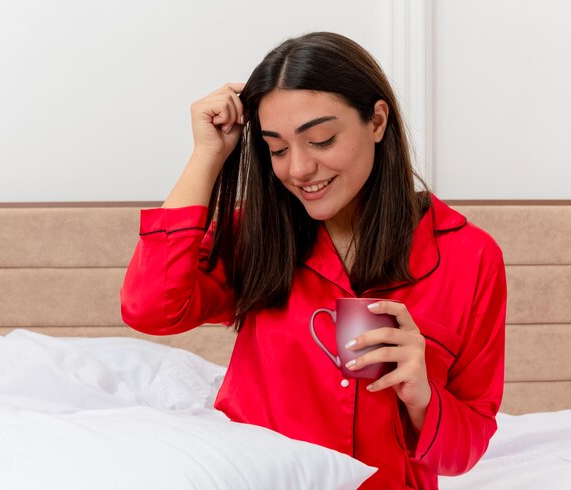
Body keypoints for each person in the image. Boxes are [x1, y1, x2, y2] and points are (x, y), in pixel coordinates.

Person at [121, 32, 506, 489]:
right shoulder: (257, 236)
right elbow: (150, 309)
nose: (298, 169)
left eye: (321, 140)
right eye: (277, 149)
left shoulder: (470, 257)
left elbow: (464, 451)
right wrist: (207, 155)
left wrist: (421, 395)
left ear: (377, 121)